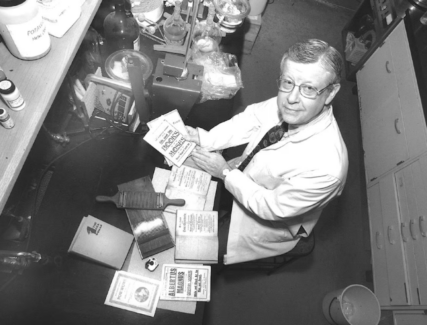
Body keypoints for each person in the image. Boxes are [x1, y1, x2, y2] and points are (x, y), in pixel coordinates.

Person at [184, 39, 349, 265]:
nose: (291, 99)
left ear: (330, 93)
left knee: (196, 251)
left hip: (266, 220)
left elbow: (269, 206)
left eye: (309, 88)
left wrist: (224, 173)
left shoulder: (328, 168)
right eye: (287, 82)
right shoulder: (294, 99)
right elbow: (250, 119)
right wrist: (205, 138)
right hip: (242, 174)